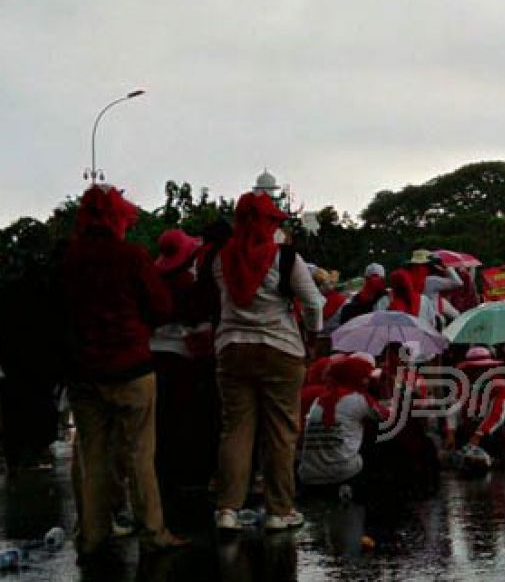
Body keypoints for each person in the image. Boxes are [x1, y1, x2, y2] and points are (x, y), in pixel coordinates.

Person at [60, 185, 188, 559]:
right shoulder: (131, 257)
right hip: (131, 367)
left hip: (83, 371)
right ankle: (153, 531)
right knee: (139, 455)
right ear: (119, 219)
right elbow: (161, 306)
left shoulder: (69, 260)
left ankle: (92, 535)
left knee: (92, 457)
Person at [211, 192, 325, 532]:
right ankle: (279, 510)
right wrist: (313, 335)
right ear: (268, 224)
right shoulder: (286, 259)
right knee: (280, 432)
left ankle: (228, 510)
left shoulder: (221, 259)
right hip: (280, 349)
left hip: (231, 348)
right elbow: (314, 303)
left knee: (236, 429)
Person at [149, 228, 212, 495]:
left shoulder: (153, 283)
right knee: (184, 418)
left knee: (160, 422)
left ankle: (163, 476)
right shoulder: (189, 286)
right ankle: (189, 476)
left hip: (152, 356)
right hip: (181, 358)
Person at [298, 355, 389, 493]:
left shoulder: (319, 400)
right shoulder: (358, 399)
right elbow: (387, 417)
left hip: (308, 475)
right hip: (342, 474)